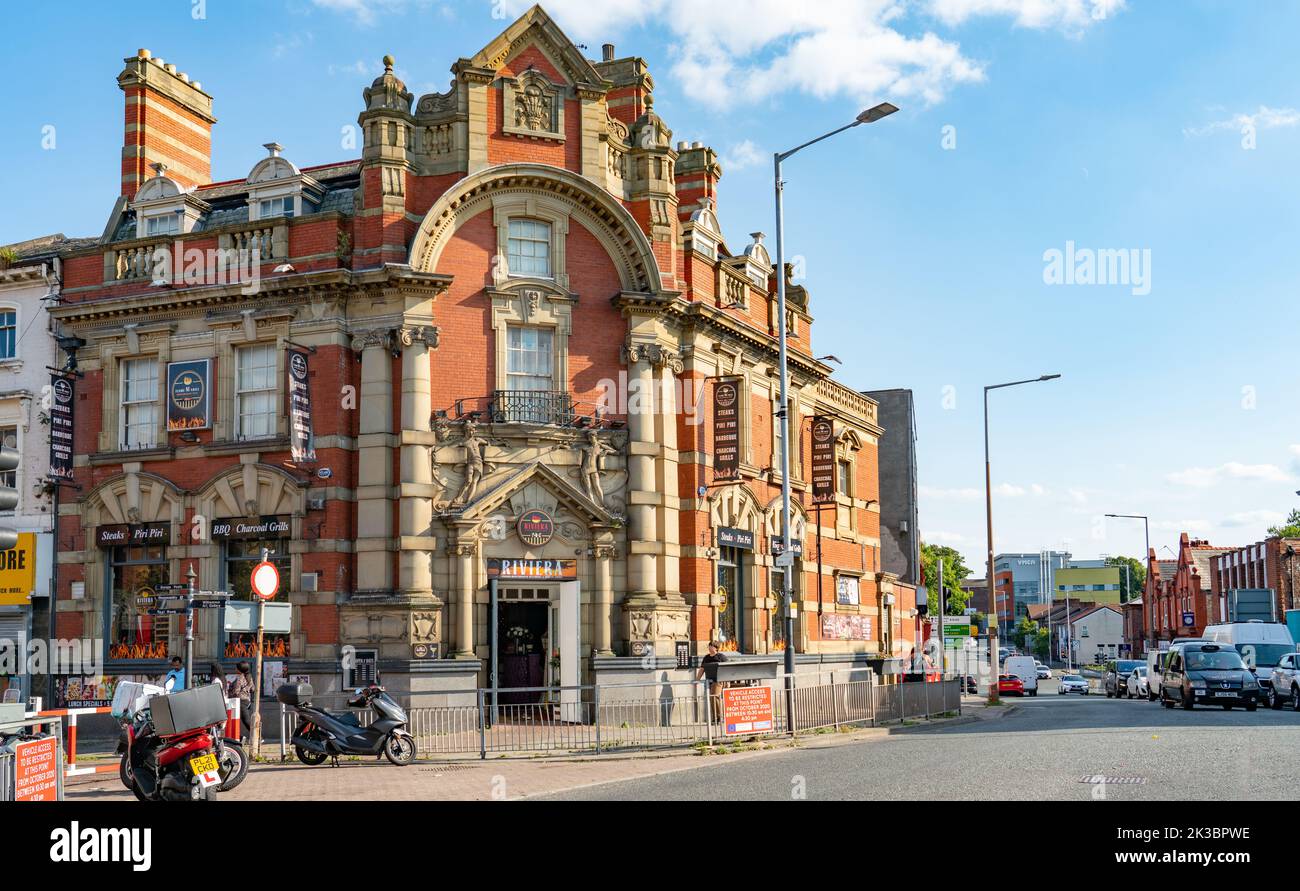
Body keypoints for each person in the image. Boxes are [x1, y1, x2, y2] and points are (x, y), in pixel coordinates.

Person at [696, 641, 728, 714]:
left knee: (715, 697)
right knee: (711, 698)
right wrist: (697, 680)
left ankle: (719, 716)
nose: (709, 648)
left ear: (715, 648)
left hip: (718, 680)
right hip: (709, 681)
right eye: (709, 646)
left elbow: (727, 668)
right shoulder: (706, 658)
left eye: (711, 646)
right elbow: (702, 669)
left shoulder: (721, 657)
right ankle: (715, 717)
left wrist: (727, 681)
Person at [228, 662, 255, 744]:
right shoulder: (249, 677)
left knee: (245, 720)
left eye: (236, 668)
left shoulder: (240, 678)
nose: (235, 669)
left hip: (240, 701)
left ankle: (257, 736)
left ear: (240, 669)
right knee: (242, 720)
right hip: (247, 701)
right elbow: (252, 689)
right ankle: (240, 738)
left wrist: (229, 693)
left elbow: (236, 691)